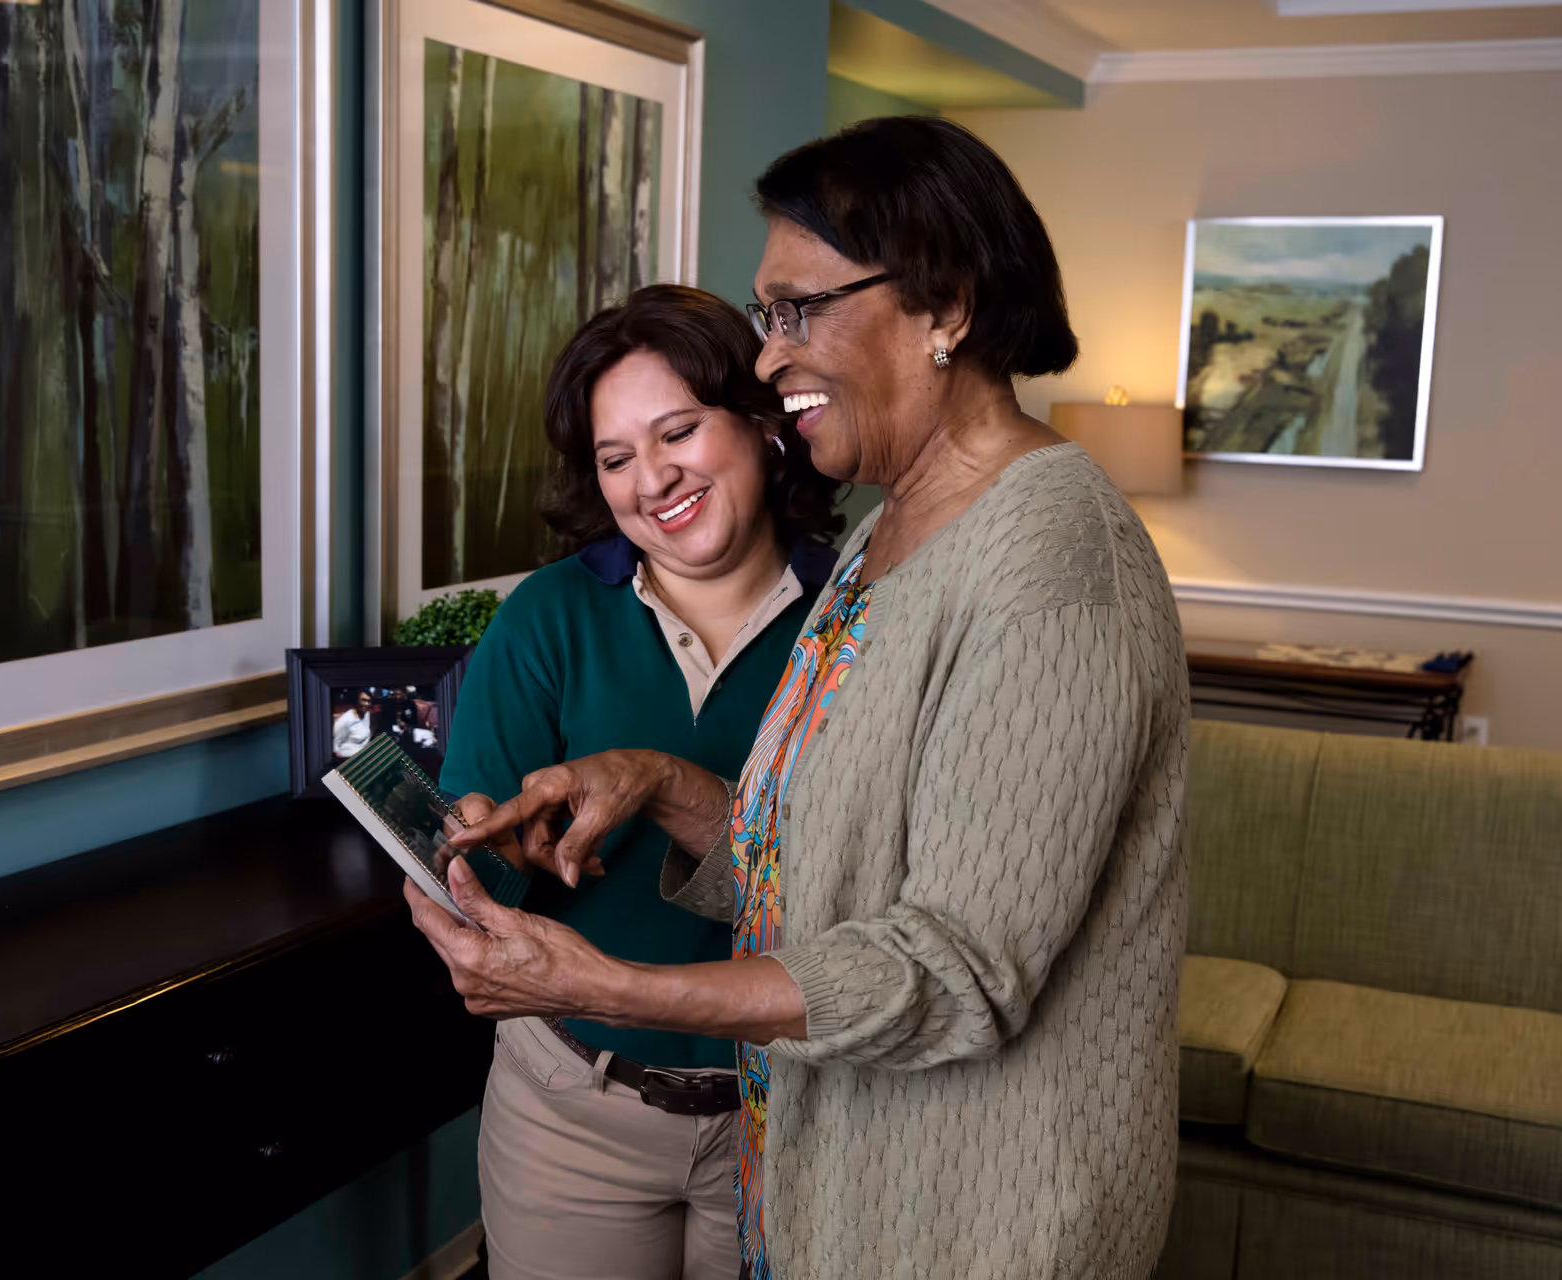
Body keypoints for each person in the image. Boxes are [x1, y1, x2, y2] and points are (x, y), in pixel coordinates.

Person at [414, 117, 1189, 1280]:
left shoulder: (1051, 561)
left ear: (946, 305)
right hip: (839, 1170)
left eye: (796, 310)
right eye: (765, 316)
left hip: (974, 1212)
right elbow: (833, 873)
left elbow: (955, 970)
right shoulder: (895, 533)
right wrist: (662, 782)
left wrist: (606, 983)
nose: (770, 360)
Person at [438, 284, 844, 1280]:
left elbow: (858, 897)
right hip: (573, 1109)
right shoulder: (547, 616)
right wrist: (463, 876)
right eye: (616, 458)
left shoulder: (858, 619)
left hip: (801, 1111)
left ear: (759, 424)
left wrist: (667, 786)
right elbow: (465, 853)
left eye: (678, 432)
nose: (651, 478)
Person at [332, 689, 374, 759]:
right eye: (363, 700)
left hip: (363, 756)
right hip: (348, 758)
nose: (366, 704)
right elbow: (335, 746)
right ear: (357, 701)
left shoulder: (366, 714)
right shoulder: (345, 720)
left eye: (369, 701)